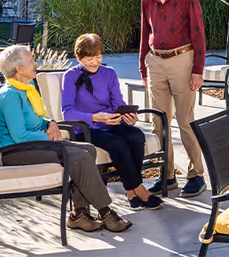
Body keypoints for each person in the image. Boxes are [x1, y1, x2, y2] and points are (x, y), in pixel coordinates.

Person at [0, 45, 132, 233]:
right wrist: (48, 136)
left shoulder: (25, 89)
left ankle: (78, 214)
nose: (35, 63)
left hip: (34, 144)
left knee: (87, 149)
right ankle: (105, 212)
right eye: (32, 60)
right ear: (19, 69)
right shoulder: (10, 96)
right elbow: (19, 136)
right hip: (16, 151)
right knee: (78, 157)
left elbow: (37, 120)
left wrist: (50, 123)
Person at [62, 33, 163, 210]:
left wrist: (127, 115)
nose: (94, 62)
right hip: (85, 129)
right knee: (117, 143)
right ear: (78, 57)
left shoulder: (109, 73)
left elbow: (118, 103)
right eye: (89, 58)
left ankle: (131, 192)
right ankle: (138, 189)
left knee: (136, 135)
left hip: (111, 123)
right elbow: (67, 113)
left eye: (98, 56)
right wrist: (94, 117)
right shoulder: (70, 76)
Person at [139, 0, 207, 198]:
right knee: (159, 122)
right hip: (155, 62)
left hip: (182, 60)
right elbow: (144, 32)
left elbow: (198, 34)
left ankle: (196, 175)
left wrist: (198, 69)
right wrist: (142, 68)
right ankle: (166, 176)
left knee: (185, 120)